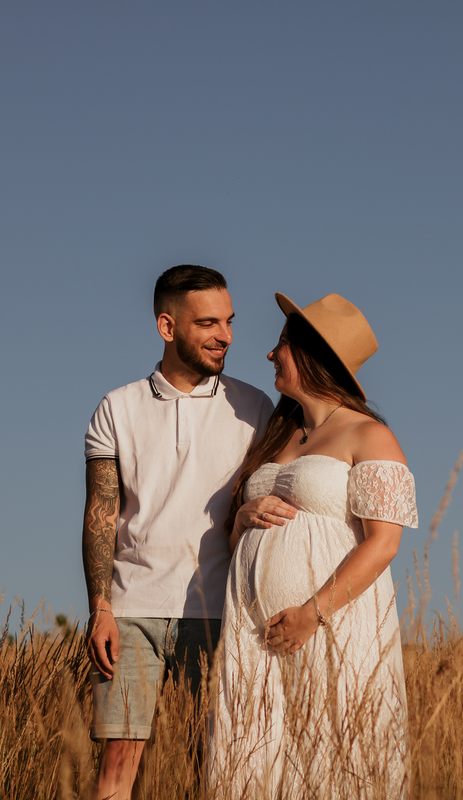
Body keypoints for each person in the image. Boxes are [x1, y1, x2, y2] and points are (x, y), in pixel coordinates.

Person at [208, 292, 417, 799]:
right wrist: (242, 516)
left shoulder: (370, 435)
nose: (269, 355)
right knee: (250, 763)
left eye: (280, 344)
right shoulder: (277, 435)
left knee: (332, 761)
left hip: (329, 628)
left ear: (312, 355)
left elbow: (383, 544)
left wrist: (310, 614)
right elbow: (235, 541)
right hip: (253, 634)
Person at [81, 264, 274, 800]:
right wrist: (100, 607)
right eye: (208, 323)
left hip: (220, 612)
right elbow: (100, 513)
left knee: (209, 767)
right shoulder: (116, 408)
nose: (226, 336)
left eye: (230, 322)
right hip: (130, 610)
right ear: (167, 327)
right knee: (117, 769)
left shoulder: (255, 407)